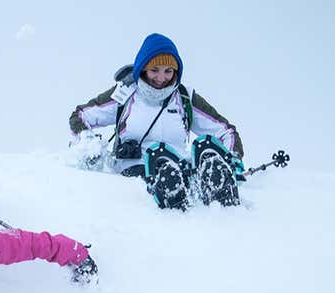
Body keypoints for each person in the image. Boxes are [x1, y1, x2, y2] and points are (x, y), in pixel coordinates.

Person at [69, 33, 245, 210]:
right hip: (134, 176)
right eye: (155, 70)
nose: (161, 78)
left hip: (180, 171)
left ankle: (220, 199)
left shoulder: (185, 98)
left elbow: (225, 131)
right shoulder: (125, 93)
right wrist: (88, 143)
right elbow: (81, 116)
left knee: (204, 149)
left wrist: (233, 158)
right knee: (164, 171)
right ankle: (172, 189)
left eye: (168, 71)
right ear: (143, 69)